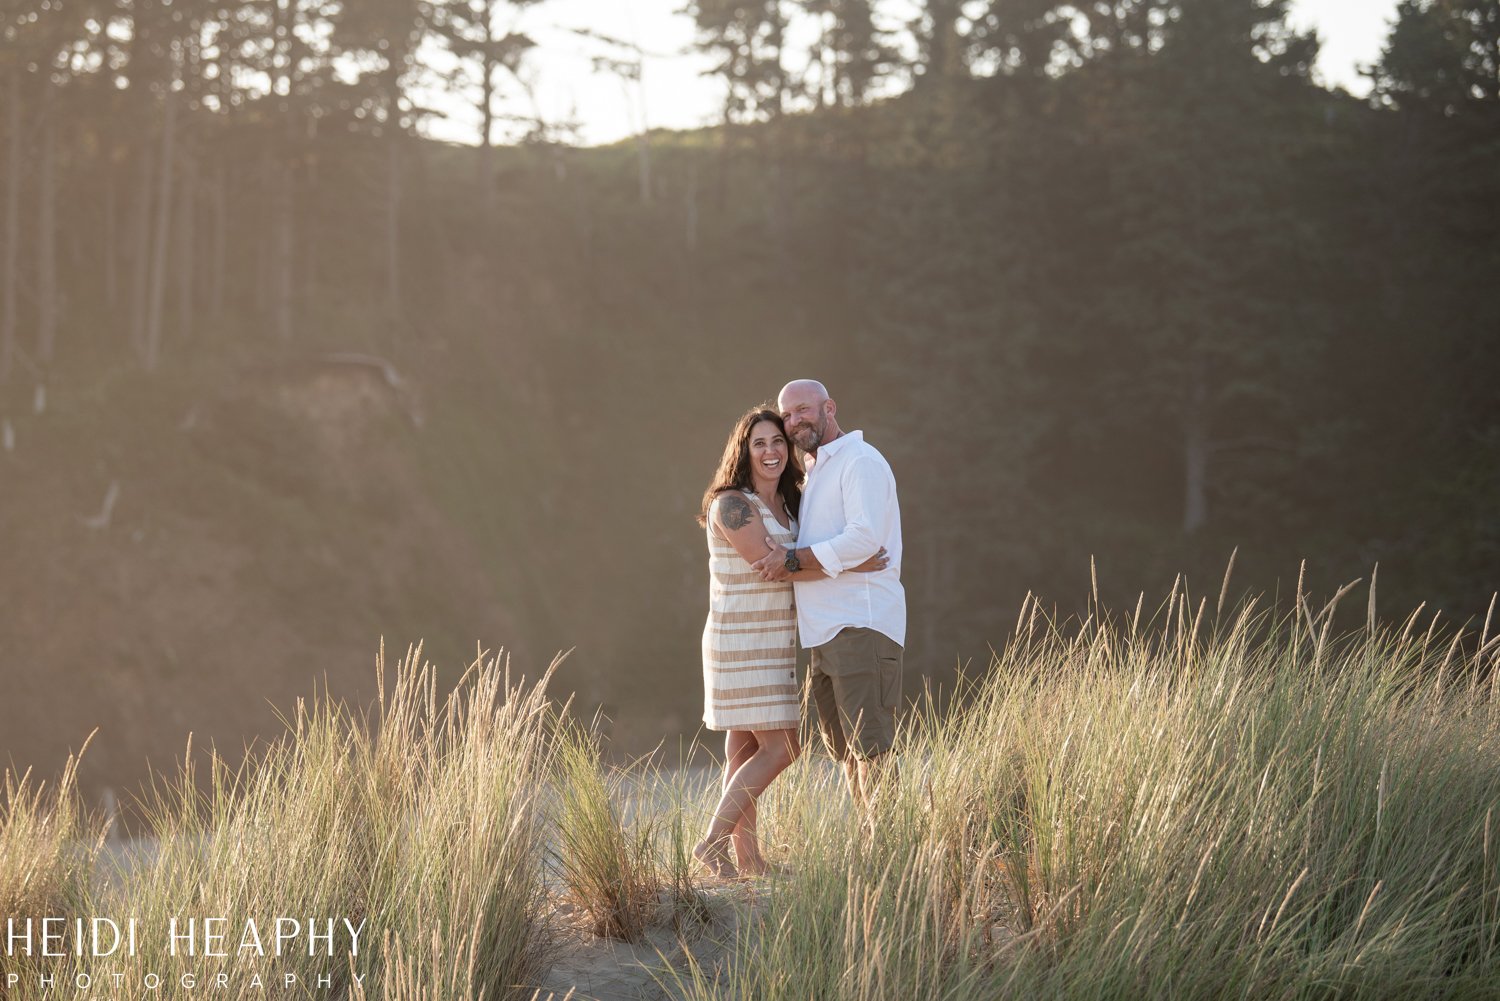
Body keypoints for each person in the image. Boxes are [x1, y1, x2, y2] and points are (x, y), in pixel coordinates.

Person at [695, 406, 888, 879]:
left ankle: (749, 861)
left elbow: (799, 557)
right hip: (739, 639)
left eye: (778, 442)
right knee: (783, 748)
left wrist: (818, 557)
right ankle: (711, 844)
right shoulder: (732, 504)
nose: (771, 451)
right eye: (759, 443)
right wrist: (854, 562)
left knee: (742, 751)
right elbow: (771, 563)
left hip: (776, 637)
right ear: (744, 450)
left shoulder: (791, 502)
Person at [752, 380, 904, 810]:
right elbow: (844, 549)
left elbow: (864, 538)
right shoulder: (816, 470)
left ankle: (892, 853)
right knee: (846, 752)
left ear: (829, 408)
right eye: (788, 414)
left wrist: (793, 560)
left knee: (870, 748)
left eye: (803, 409)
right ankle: (870, 848)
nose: (795, 420)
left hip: (860, 623)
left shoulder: (859, 461)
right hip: (823, 633)